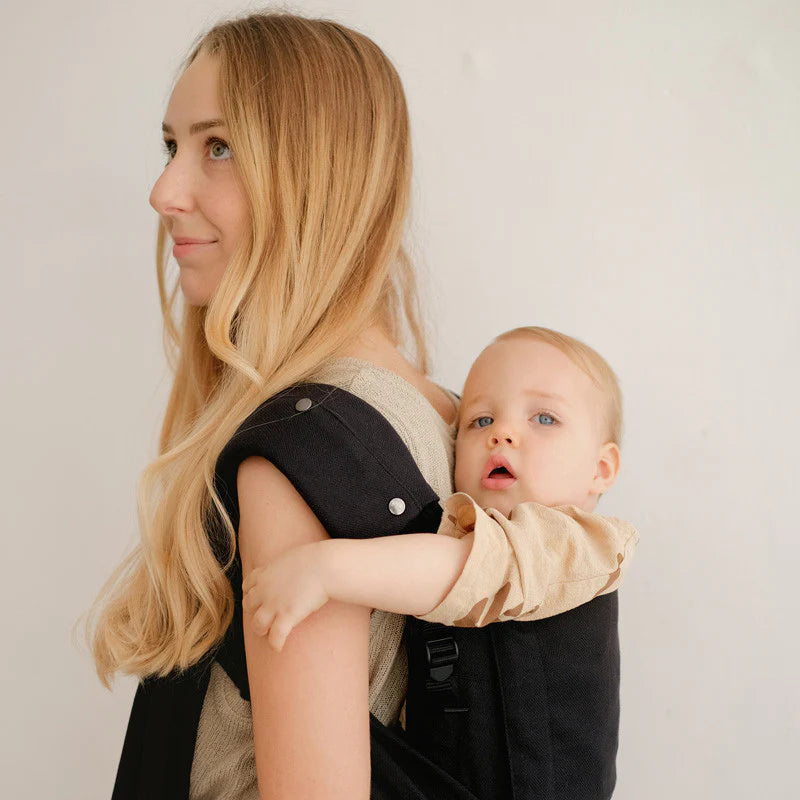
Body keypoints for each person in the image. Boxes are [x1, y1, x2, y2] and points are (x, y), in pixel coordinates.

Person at [86, 11, 635, 800]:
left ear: (316, 175)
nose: (164, 190)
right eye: (171, 146)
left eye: (220, 146)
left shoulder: (302, 457)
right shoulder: (447, 417)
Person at [241, 326, 639, 656]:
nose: (503, 432)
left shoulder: (582, 546)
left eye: (545, 418)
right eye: (481, 420)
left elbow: (467, 567)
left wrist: (325, 569)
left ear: (601, 470)